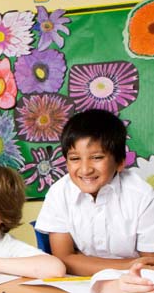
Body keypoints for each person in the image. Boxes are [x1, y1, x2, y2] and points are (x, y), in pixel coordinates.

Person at [35, 109, 154, 276]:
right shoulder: (59, 193)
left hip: (134, 283)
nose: (85, 169)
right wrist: (129, 265)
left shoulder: (142, 195)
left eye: (97, 158)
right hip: (80, 285)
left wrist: (81, 261)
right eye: (75, 159)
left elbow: (149, 266)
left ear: (120, 162)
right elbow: (63, 260)